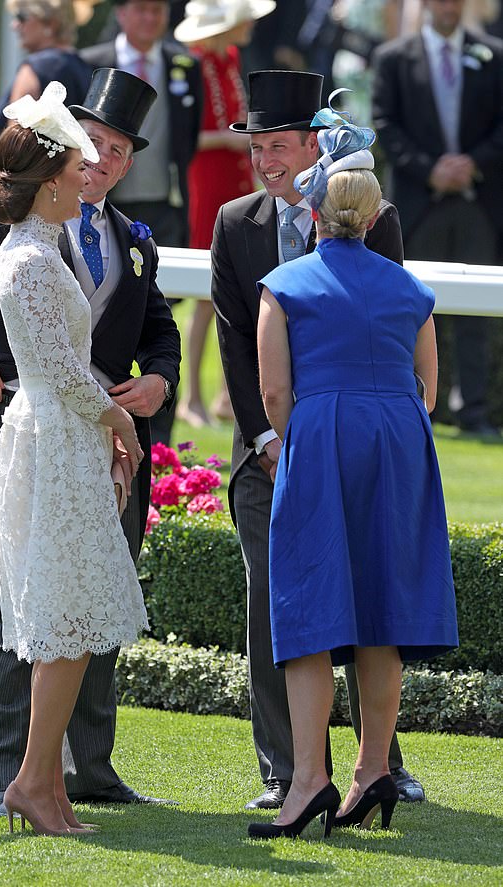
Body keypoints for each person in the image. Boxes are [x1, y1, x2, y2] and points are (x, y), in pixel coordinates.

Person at [0, 67, 181, 817]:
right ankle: (10, 777)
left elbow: (159, 330)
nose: (104, 159)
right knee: (23, 602)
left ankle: (85, 770)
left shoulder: (130, 237)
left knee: (87, 602)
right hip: (35, 424)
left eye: (119, 149)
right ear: (69, 147)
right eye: (96, 143)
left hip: (103, 435)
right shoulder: (4, 222)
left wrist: (157, 384)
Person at [211, 69, 425, 811]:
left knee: (370, 598)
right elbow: (237, 346)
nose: (266, 162)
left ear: (314, 145)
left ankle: (379, 765)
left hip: (351, 447)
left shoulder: (378, 219)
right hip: (269, 448)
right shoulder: (234, 223)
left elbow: (389, 328)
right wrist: (271, 438)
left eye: (278, 146)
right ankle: (287, 771)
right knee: (280, 604)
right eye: (255, 148)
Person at [248, 119, 459, 839]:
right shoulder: (409, 288)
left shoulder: (283, 285)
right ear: (373, 217)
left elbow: (274, 393)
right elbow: (427, 385)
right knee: (382, 609)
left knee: (310, 604)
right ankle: (373, 770)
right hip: (399, 441)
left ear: (313, 210)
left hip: (322, 436)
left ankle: (309, 779)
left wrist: (309, 429)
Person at [0, 81, 152, 836]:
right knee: (66, 615)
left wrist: (110, 422)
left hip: (68, 433)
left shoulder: (42, 248)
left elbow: (72, 365)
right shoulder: (24, 260)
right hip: (54, 435)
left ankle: (46, 785)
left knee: (76, 614)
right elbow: (57, 369)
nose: (83, 179)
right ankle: (31, 781)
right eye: (71, 170)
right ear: (47, 185)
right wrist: (119, 417)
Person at [372, 0, 503, 435]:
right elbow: (384, 126)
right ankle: (420, 406)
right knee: (412, 311)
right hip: (417, 204)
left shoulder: (492, 55)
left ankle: (474, 412)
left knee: (475, 315)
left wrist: (471, 164)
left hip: (475, 202)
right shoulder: (393, 58)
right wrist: (430, 169)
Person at [174, 0, 274, 428]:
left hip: (233, 177)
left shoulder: (228, 59)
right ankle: (191, 396)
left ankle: (224, 394)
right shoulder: (194, 64)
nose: (251, 24)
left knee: (236, 284)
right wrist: (229, 141)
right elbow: (186, 134)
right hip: (207, 178)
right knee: (203, 292)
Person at [81, 0, 203, 248]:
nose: (150, 17)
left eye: (157, 10)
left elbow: (189, 134)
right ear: (121, 13)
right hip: (104, 198)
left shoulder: (185, 65)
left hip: (165, 202)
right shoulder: (90, 63)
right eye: (141, 9)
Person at [0, 0, 94, 165]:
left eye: (22, 17)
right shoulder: (86, 67)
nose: (14, 25)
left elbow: (15, 152)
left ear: (50, 24)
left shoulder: (35, 67)